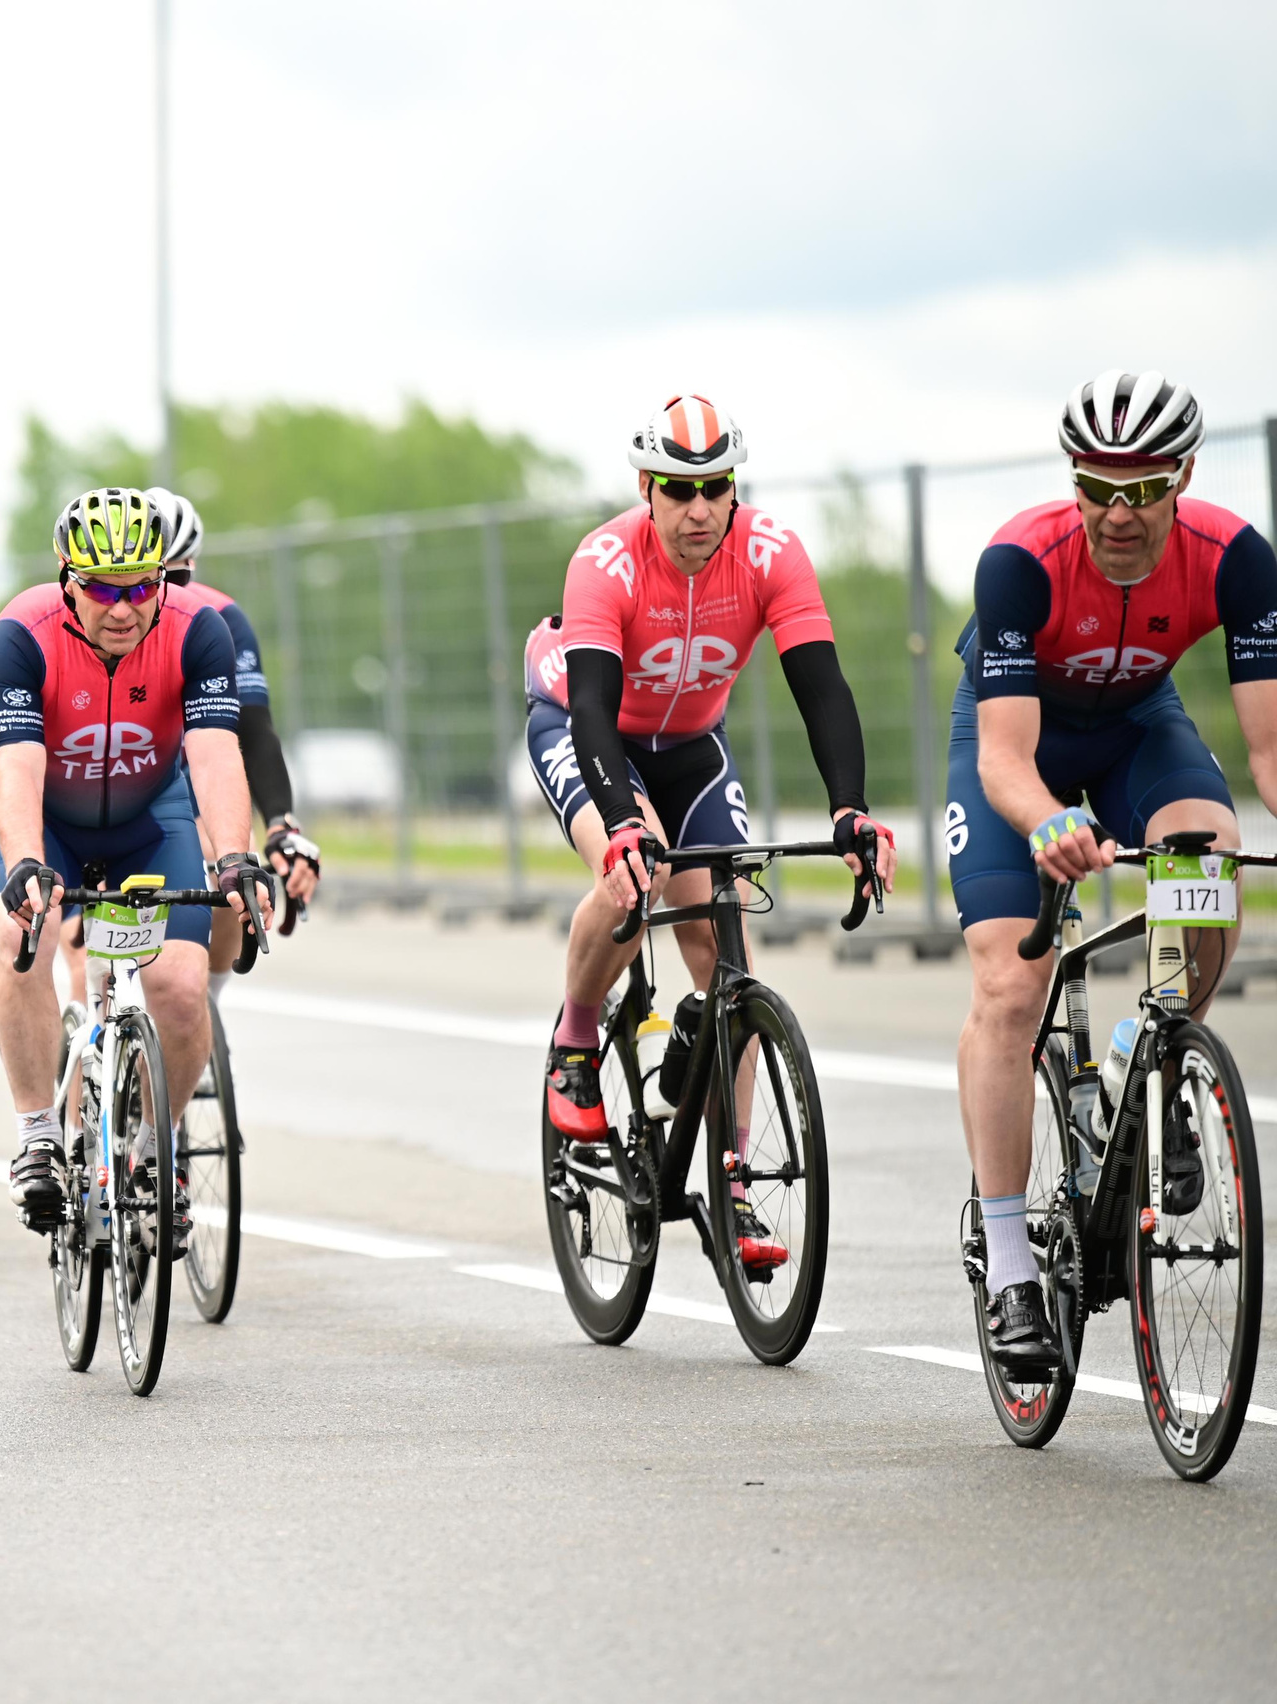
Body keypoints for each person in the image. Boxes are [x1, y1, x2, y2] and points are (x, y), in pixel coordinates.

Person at [945, 369, 1277, 1374]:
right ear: (1074, 481)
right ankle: (1010, 1267)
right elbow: (1005, 759)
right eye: (1096, 486)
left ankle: (1150, 1049)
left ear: (1184, 477)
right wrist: (1047, 822)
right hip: (1018, 749)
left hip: (1138, 731)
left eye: (1142, 489)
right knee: (1012, 987)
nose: (1118, 513)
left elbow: (1269, 750)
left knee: (1209, 862)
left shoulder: (1236, 559)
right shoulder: (1020, 561)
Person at [527, 396, 894, 1272]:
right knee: (636, 873)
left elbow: (822, 687)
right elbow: (591, 708)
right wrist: (622, 827)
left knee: (725, 953)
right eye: (679, 490)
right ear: (646, 489)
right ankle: (576, 1040)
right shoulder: (604, 561)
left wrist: (849, 808)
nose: (700, 509)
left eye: (716, 488)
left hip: (693, 747)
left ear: (734, 488)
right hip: (590, 733)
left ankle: (732, 1184)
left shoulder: (771, 553)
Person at [0, 486, 274, 1229]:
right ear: (66, 578)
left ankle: (154, 1148)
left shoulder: (196, 630)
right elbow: (17, 769)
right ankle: (37, 1136)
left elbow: (216, 755)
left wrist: (235, 858)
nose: (123, 608)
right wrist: (26, 865)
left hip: (151, 820)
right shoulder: (21, 634)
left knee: (179, 985)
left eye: (142, 587)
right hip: (50, 822)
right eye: (103, 589)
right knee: (22, 934)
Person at [148, 486, 322, 984]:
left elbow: (254, 730)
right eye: (150, 581)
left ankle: (207, 1001)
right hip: (113, 777)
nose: (165, 596)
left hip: (192, 773)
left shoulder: (220, 620)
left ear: (193, 566)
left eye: (178, 578)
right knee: (85, 961)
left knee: (226, 860)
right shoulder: (106, 621)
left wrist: (281, 826)